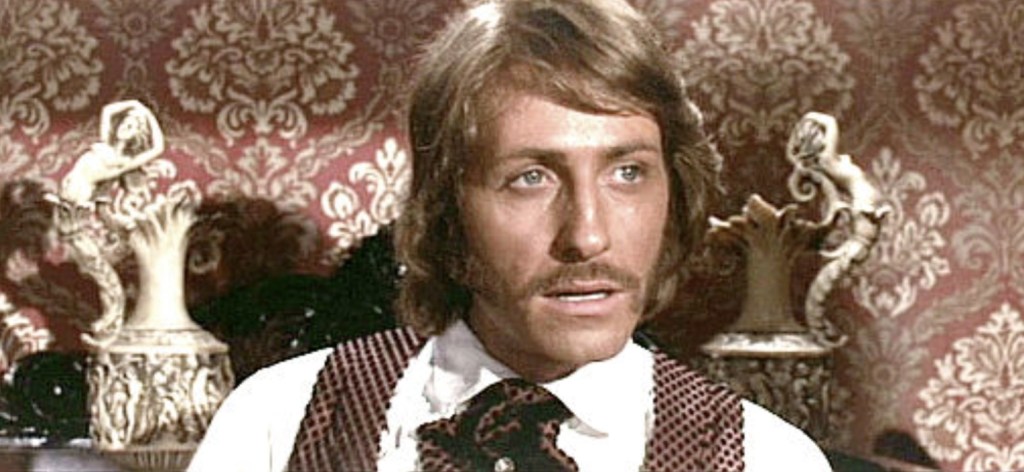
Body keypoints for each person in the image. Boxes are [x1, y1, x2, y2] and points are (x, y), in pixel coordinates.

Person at [188, 0, 832, 471]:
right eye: (530, 178)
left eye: (627, 173)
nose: (588, 236)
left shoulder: (766, 459)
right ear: (445, 211)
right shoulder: (280, 424)